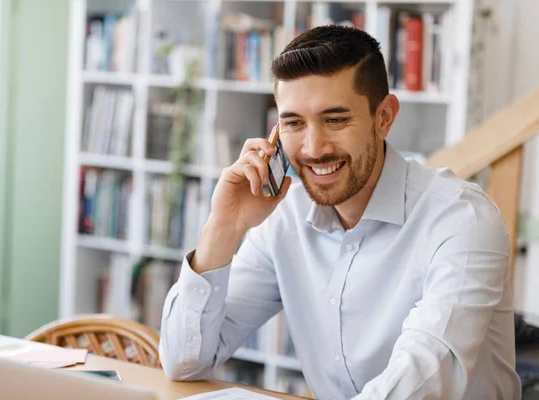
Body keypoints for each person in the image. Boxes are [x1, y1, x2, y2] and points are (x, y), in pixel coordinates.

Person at [159, 25, 521, 399]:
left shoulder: (462, 219)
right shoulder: (286, 219)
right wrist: (223, 227)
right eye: (294, 123)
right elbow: (184, 362)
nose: (314, 148)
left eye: (335, 119)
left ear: (384, 117)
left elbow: (422, 377)